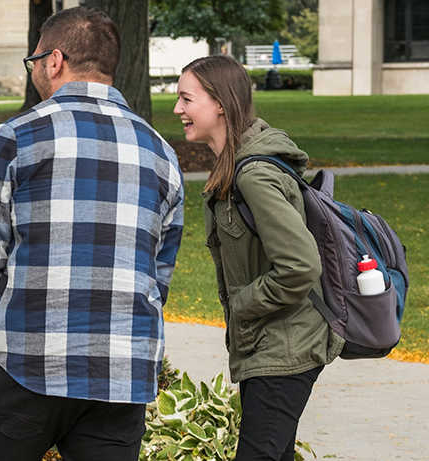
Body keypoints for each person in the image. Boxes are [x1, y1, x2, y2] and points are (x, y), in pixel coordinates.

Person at [0, 7, 184, 461]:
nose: (37, 70)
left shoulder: (17, 136)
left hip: (26, 359)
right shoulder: (161, 152)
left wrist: (7, 320)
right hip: (121, 370)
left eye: (35, 61)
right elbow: (161, 270)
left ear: (54, 60)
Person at [175, 55, 340, 461]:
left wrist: (243, 305)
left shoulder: (254, 176)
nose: (178, 109)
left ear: (219, 103)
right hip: (267, 347)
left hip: (286, 349)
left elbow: (300, 266)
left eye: (186, 99)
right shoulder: (234, 170)